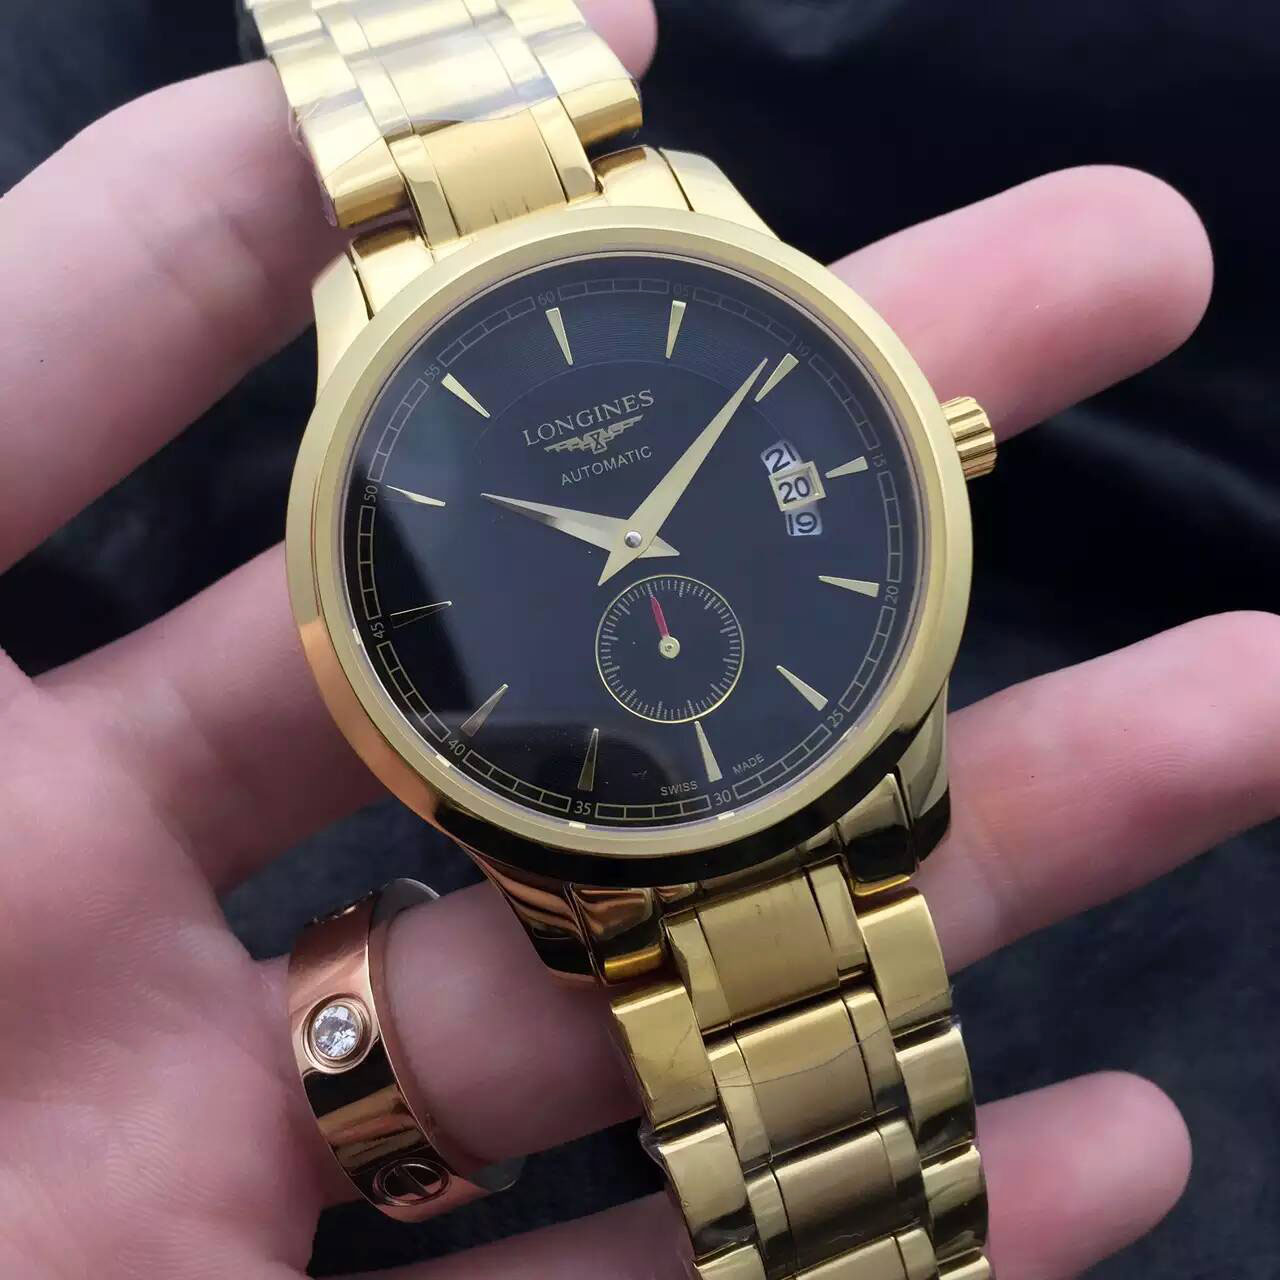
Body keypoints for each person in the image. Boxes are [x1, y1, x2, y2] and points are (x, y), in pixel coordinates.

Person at [1, 2, 1273, 1276]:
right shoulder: (384, 408)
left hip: (817, 768)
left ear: (937, 447)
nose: (635, 545)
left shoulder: (697, 253)